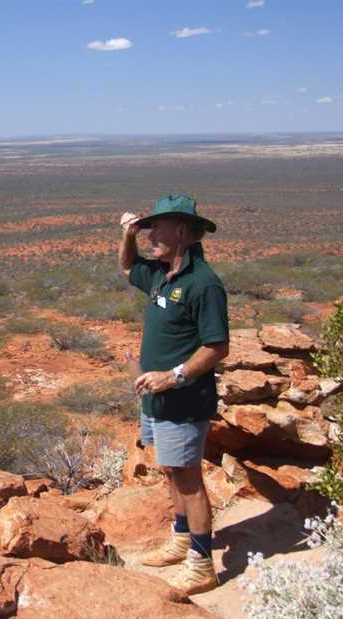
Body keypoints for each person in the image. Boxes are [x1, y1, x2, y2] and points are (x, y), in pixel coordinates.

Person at [117, 193, 229, 596]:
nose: (150, 236)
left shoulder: (203, 284)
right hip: (156, 396)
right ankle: (182, 539)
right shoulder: (161, 273)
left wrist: (173, 376)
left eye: (155, 228)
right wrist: (127, 234)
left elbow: (217, 347)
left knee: (188, 477)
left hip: (182, 397)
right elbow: (128, 265)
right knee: (170, 470)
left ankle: (202, 564)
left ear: (181, 231)